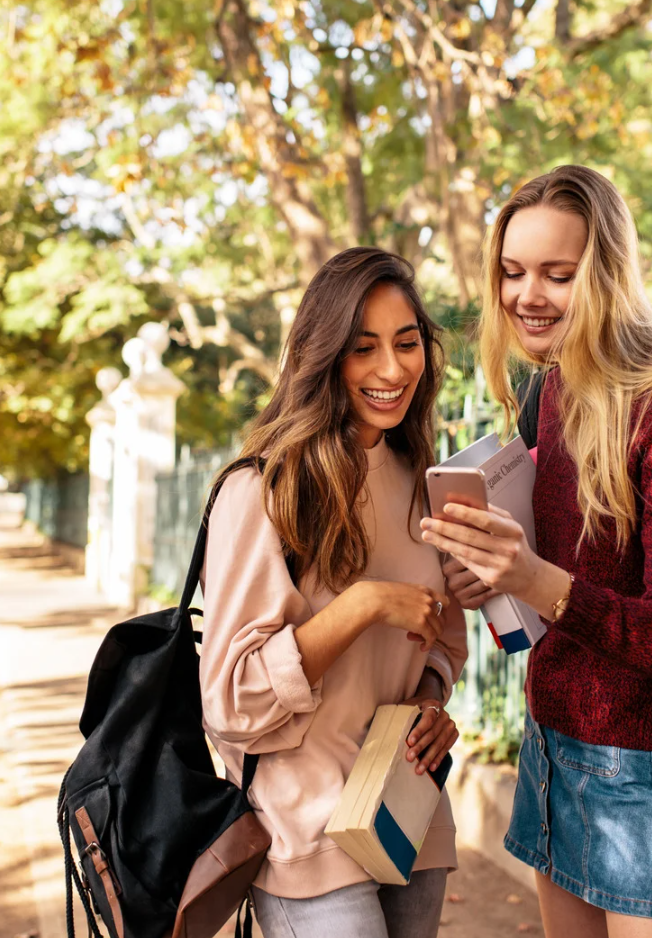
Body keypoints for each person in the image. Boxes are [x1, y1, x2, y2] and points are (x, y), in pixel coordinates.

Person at [420, 165, 652, 937]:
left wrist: (536, 578)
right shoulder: (554, 389)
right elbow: (563, 575)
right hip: (555, 740)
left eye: (556, 273)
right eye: (511, 271)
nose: (525, 295)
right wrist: (493, 579)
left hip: (649, 769)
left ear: (604, 274)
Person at [198, 247, 468, 938]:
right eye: (362, 349)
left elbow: (443, 637)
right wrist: (362, 605)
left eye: (407, 344)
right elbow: (231, 701)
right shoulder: (262, 490)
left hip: (405, 812)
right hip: (304, 830)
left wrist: (433, 701)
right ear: (323, 357)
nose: (391, 369)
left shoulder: (422, 481)